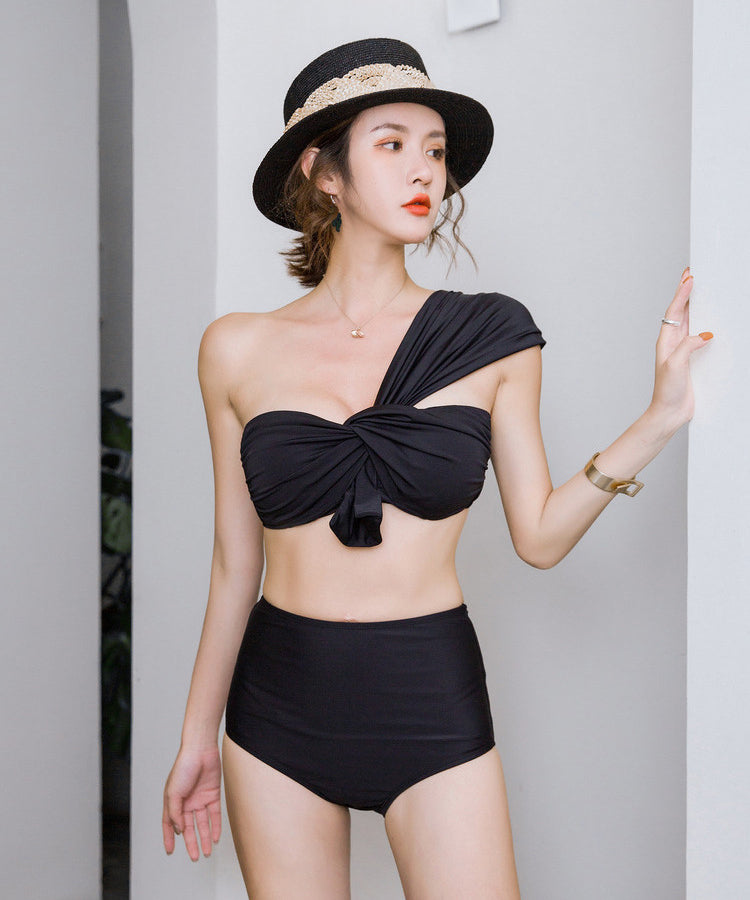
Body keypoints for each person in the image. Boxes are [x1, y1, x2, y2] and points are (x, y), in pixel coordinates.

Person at [161, 38, 711, 898]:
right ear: (324, 173)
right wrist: (198, 735)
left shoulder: (491, 336)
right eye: (392, 144)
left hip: (428, 693)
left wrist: (660, 418)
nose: (425, 169)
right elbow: (236, 563)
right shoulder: (235, 348)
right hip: (276, 707)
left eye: (436, 149)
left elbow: (538, 537)